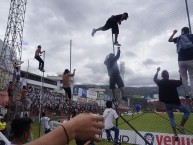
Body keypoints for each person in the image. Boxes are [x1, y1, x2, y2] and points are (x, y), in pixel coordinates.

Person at [153, 67, 190, 141]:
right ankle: (181, 126)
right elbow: (181, 81)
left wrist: (157, 71)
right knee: (187, 112)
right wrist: (180, 73)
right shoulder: (172, 82)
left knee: (171, 118)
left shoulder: (160, 82)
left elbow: (154, 79)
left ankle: (175, 135)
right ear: (168, 75)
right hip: (176, 103)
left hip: (167, 104)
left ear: (162, 76)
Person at [25, 113, 104, 145]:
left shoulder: (42, 119)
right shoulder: (46, 118)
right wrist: (73, 127)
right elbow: (49, 120)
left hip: (46, 130)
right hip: (48, 130)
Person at [168, 27, 193, 99]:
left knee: (184, 77)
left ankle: (187, 94)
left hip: (181, 60)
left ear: (182, 31)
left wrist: (174, 33)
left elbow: (169, 40)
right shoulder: (192, 36)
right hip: (191, 59)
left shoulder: (179, 38)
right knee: (192, 78)